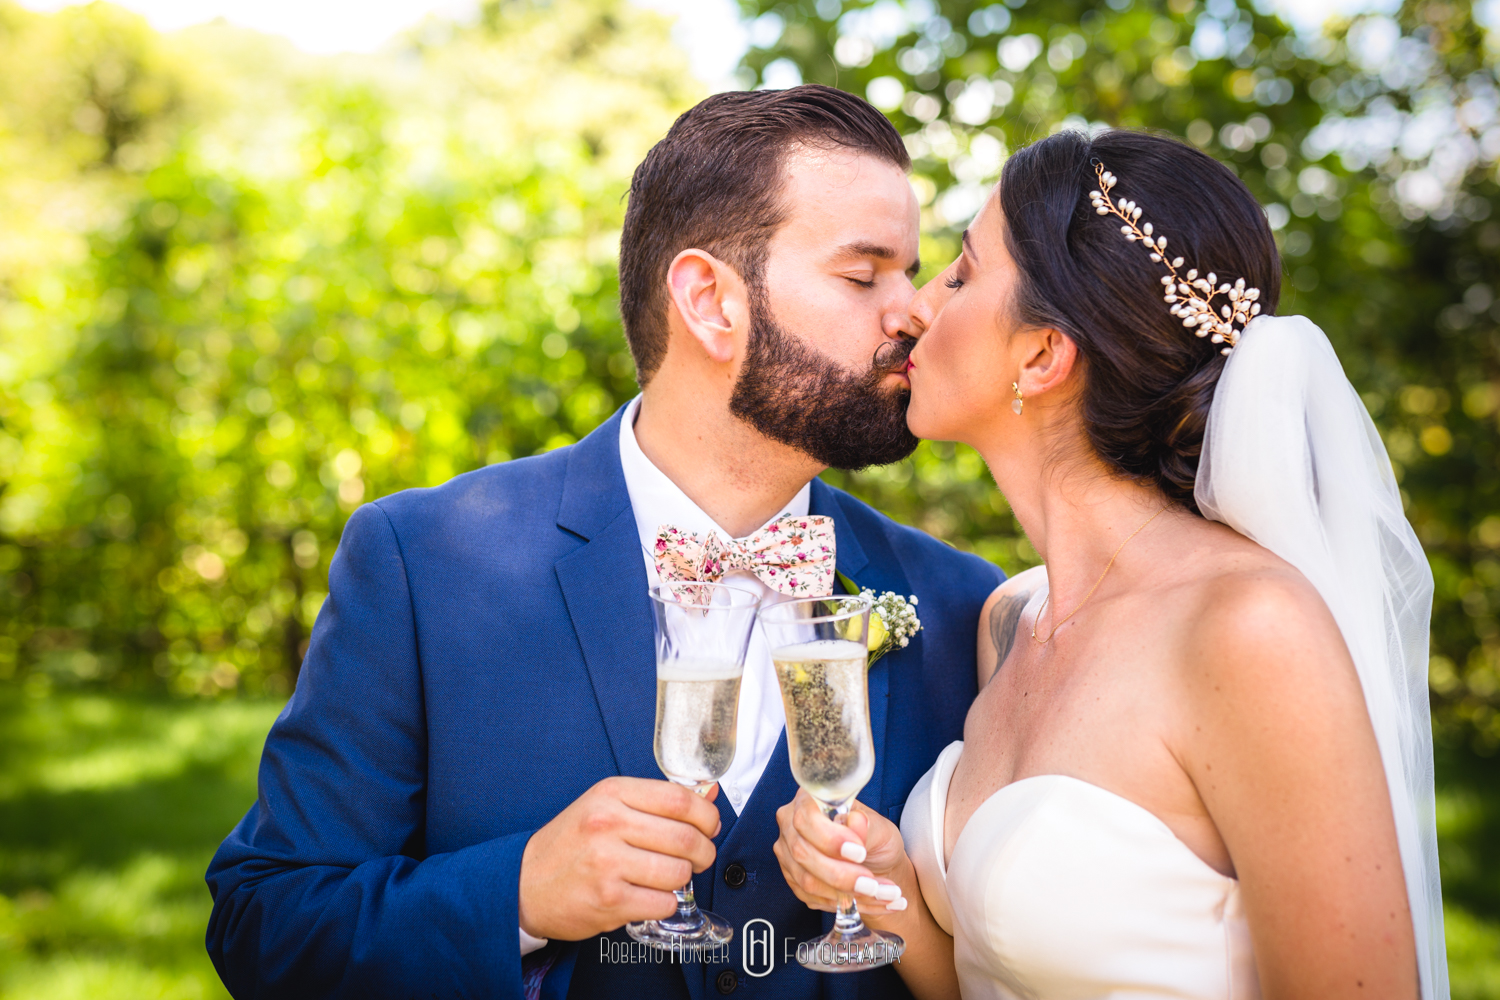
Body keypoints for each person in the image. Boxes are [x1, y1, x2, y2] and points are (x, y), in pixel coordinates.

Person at [204, 84, 1003, 1000]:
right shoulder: (424, 562)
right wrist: (519, 894)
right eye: (864, 277)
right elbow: (265, 924)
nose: (915, 312)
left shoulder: (959, 607)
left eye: (912, 273)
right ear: (709, 300)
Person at [773, 128, 1447, 1000]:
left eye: (961, 275)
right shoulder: (1009, 623)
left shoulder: (1249, 630)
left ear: (1043, 355)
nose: (917, 309)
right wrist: (890, 885)